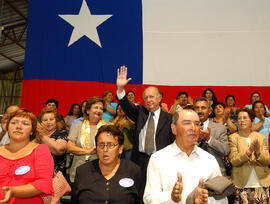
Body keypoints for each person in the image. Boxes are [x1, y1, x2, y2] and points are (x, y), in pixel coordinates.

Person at [143, 109, 228, 204]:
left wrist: (206, 200)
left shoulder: (209, 159)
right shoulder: (158, 158)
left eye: (197, 124)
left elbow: (223, 200)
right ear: (174, 129)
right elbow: (149, 198)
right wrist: (171, 197)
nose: (193, 128)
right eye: (187, 123)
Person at [116, 66, 174, 185]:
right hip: (140, 160)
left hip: (161, 161)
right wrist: (120, 88)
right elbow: (126, 105)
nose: (148, 100)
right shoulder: (140, 113)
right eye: (146, 97)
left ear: (159, 98)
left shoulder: (169, 118)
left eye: (151, 97)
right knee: (140, 191)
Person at [73, 125, 143, 204]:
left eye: (110, 145)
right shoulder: (82, 172)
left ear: (120, 149)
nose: (105, 150)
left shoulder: (133, 171)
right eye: (101, 145)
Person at [0, 109, 54, 203]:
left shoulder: (40, 150)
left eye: (25, 124)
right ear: (7, 127)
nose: (18, 126)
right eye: (14, 122)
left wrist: (13, 191)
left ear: (32, 131)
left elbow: (44, 184)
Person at [228, 107, 270, 203]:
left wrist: (258, 152)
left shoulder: (261, 137)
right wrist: (248, 152)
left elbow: (267, 160)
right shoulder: (233, 138)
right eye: (239, 118)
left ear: (252, 120)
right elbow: (233, 160)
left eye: (245, 118)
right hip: (242, 185)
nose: (242, 121)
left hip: (261, 184)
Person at [67, 96, 107, 182]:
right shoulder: (78, 126)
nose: (99, 110)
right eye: (96, 107)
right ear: (88, 110)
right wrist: (88, 151)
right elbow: (69, 147)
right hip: (79, 170)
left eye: (101, 108)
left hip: (101, 172)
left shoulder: (108, 127)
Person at [194, 97, 230, 176]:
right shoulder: (187, 128)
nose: (200, 111)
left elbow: (225, 150)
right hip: (194, 173)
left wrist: (209, 139)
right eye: (197, 108)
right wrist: (197, 141)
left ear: (210, 111)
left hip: (216, 174)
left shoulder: (220, 128)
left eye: (203, 108)